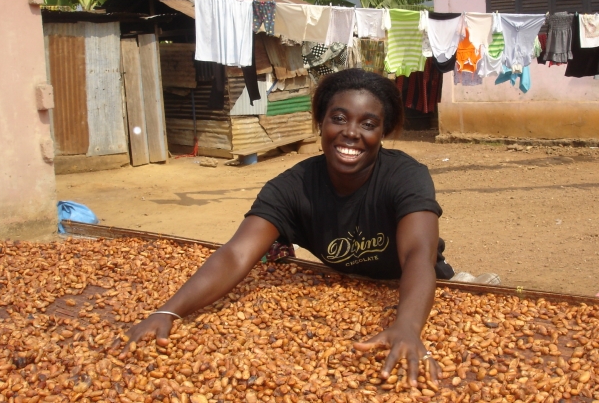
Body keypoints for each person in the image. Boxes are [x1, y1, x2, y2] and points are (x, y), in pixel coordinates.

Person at [117, 69, 493, 387]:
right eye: (339, 118)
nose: (351, 133)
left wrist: (407, 326)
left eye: (368, 124)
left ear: (385, 131)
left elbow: (417, 256)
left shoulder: (405, 176)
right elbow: (236, 253)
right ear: (321, 122)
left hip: (419, 290)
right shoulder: (291, 187)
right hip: (347, 283)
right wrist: (168, 312)